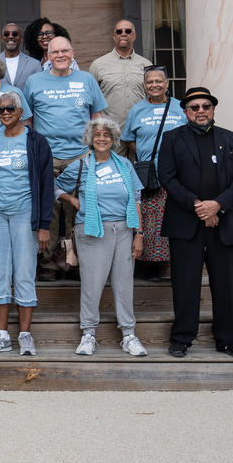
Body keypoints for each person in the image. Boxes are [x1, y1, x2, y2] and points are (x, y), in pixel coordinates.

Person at [55, 118, 147, 357]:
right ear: (90, 139)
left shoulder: (125, 165)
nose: (102, 138)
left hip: (125, 230)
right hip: (92, 231)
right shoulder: (81, 165)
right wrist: (72, 200)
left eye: (107, 135)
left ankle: (129, 334)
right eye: (97, 135)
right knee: (92, 285)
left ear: (113, 139)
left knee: (124, 284)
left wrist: (139, 233)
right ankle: (88, 333)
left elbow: (136, 199)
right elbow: (54, 186)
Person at [0, 92, 54, 356]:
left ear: (21, 112)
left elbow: (46, 184)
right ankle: (1, 335)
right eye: (0, 110)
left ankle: (25, 334)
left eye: (10, 108)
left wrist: (44, 225)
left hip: (24, 213)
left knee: (24, 271)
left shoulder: (36, 141)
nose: (5, 113)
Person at [157, 86, 233, 358]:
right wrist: (199, 206)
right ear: (186, 111)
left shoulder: (229, 138)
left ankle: (226, 338)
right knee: (185, 283)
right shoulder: (172, 139)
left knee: (226, 284)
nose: (201, 111)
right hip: (185, 221)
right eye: (195, 107)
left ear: (213, 109)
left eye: (206, 106)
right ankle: (181, 338)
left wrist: (218, 206)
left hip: (223, 223)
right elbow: (167, 176)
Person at [24, 36, 108, 281]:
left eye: (64, 51)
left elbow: (98, 116)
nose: (60, 55)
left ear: (73, 53)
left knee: (79, 209)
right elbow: (27, 120)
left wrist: (97, 150)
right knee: (48, 208)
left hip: (81, 155)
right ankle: (49, 262)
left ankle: (76, 261)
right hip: (46, 155)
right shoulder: (34, 82)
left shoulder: (86, 80)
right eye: (54, 52)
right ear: (47, 56)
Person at [122, 67, 185, 281]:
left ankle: (169, 264)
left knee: (173, 218)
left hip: (177, 174)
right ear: (144, 86)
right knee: (148, 220)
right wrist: (146, 157)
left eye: (159, 81)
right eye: (150, 82)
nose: (155, 85)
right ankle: (149, 266)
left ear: (167, 84)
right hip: (149, 175)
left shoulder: (179, 108)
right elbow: (129, 139)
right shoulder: (137, 110)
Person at [89, 19, 152, 126]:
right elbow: (91, 100)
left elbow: (153, 97)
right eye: (119, 31)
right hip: (110, 131)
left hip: (139, 128)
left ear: (134, 36)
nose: (123, 34)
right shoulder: (98, 65)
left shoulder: (146, 65)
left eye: (127, 31)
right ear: (114, 36)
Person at [0, 22, 41, 90]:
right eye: (6, 34)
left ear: (21, 39)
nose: (10, 36)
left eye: (15, 34)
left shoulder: (34, 64)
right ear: (2, 39)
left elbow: (39, 90)